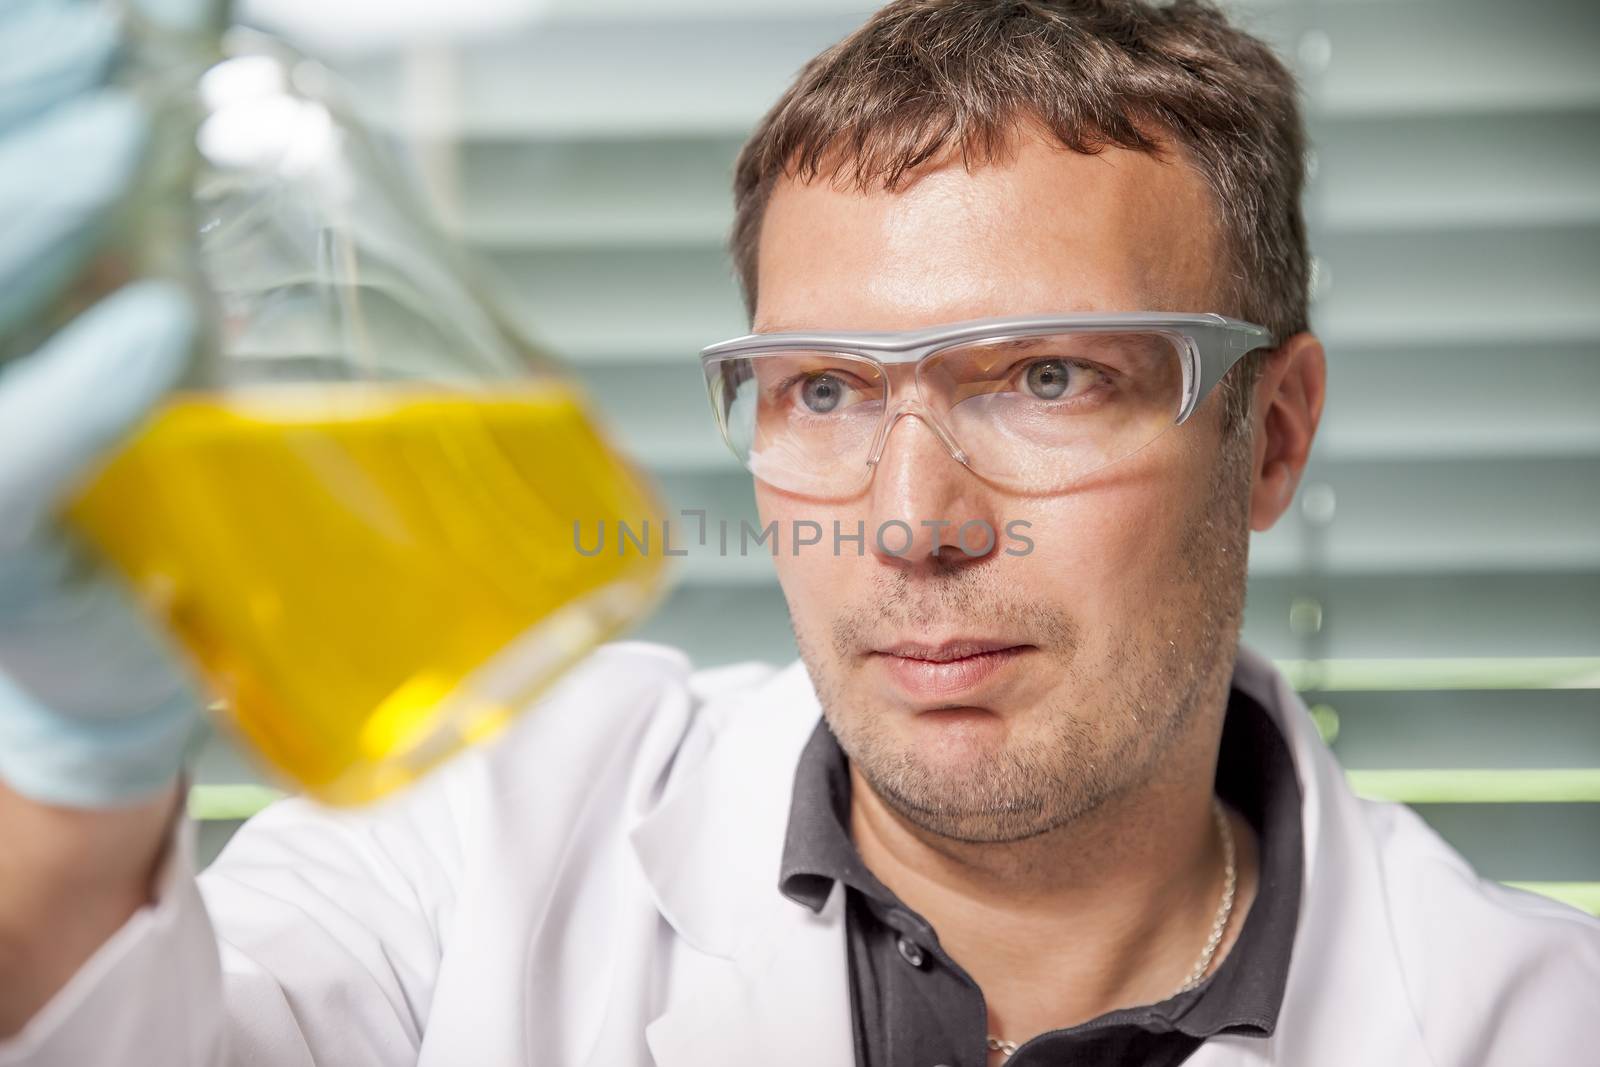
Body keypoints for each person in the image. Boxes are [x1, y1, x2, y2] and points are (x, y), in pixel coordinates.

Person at [2, 0, 1597, 1064]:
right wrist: (67, 796)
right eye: (824, 390)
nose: (910, 527)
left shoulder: (1531, 1022)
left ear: (1277, 434)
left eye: (1048, 377)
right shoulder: (477, 832)